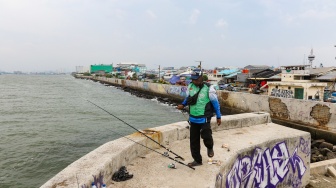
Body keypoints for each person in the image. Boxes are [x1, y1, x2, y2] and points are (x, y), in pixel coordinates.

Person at [177, 69, 221, 167]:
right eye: (193, 79)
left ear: (201, 78)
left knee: (206, 135)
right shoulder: (190, 87)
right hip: (193, 118)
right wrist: (182, 105)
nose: (195, 81)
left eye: (196, 79)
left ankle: (210, 147)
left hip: (204, 118)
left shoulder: (209, 88)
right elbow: (188, 99)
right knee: (194, 141)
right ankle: (197, 160)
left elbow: (215, 103)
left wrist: (218, 116)